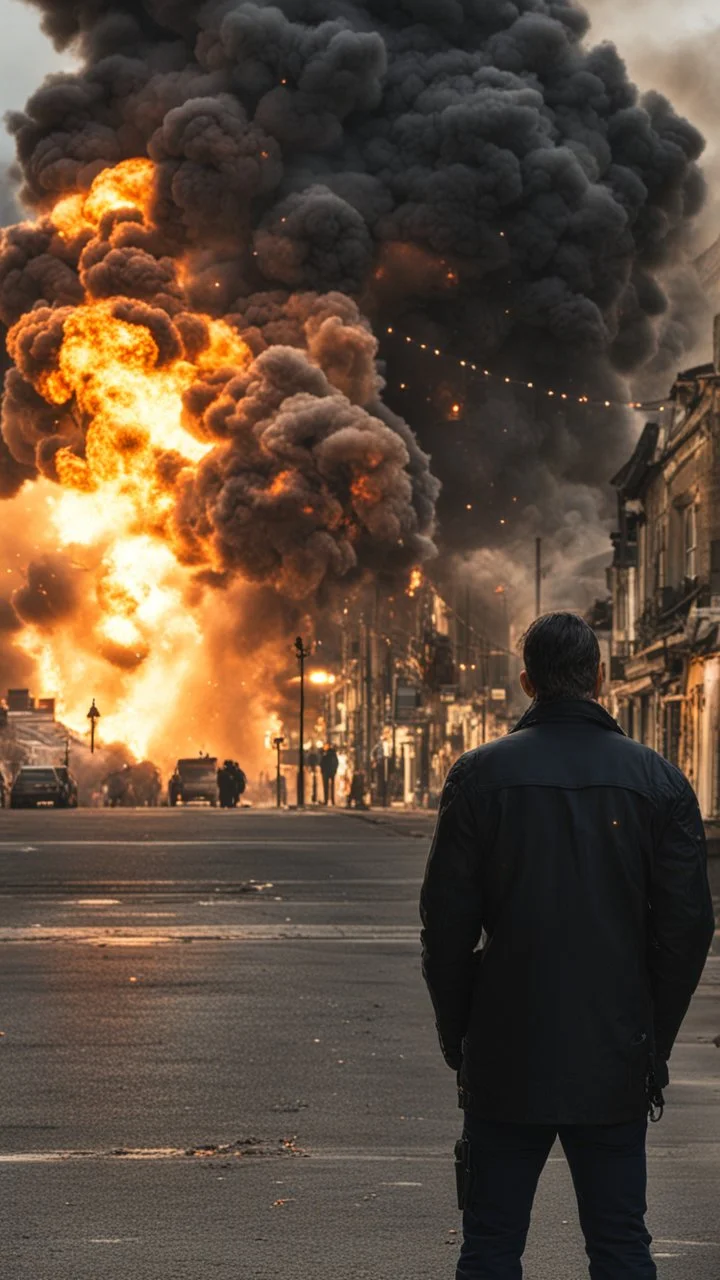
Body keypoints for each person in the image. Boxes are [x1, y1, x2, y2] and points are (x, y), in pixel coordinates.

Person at [420, 612, 715, 1280]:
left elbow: (445, 927)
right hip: (612, 1048)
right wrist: (651, 1037)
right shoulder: (660, 782)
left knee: (491, 1242)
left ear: (527, 681)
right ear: (602, 678)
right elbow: (688, 929)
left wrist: (458, 1034)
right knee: (619, 1243)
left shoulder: (478, 777)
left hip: (507, 1046)